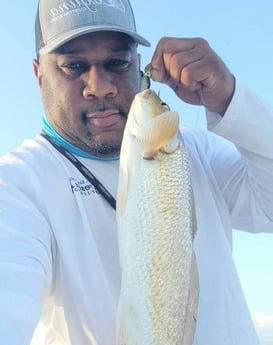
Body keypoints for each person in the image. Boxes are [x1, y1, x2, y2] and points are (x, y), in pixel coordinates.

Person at [0, 0, 272, 344]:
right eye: (73, 65)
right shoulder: (19, 184)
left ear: (140, 68)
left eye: (117, 62)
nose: (100, 86)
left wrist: (232, 100)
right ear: (40, 77)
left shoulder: (196, 151)